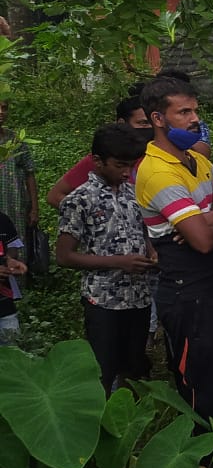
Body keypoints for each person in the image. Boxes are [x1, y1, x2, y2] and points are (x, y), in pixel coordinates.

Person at [134, 74, 213, 429]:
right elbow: (203, 241)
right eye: (184, 112)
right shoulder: (157, 172)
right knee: (203, 392)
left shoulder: (196, 161)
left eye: (195, 111)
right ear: (158, 118)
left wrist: (211, 217)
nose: (195, 119)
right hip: (190, 297)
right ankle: (203, 462)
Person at [55, 123, 155, 392]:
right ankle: (102, 414)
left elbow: (143, 232)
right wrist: (118, 262)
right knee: (103, 368)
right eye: (120, 165)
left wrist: (151, 252)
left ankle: (129, 413)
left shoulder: (132, 193)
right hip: (103, 300)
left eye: (130, 166)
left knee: (134, 367)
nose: (126, 172)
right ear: (98, 161)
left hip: (139, 296)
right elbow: (64, 256)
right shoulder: (79, 199)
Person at [46, 91, 152, 208]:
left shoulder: (155, 155)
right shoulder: (105, 158)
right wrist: (94, 213)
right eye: (143, 123)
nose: (150, 128)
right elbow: (55, 196)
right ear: (122, 123)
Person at [0, 101, 38, 258]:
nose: (1, 112)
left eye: (4, 108)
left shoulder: (15, 140)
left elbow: (29, 174)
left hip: (14, 204)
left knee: (16, 246)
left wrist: (34, 209)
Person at [0, 210, 27, 346]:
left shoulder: (3, 220)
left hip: (4, 305)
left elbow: (11, 251)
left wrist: (9, 261)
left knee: (13, 353)